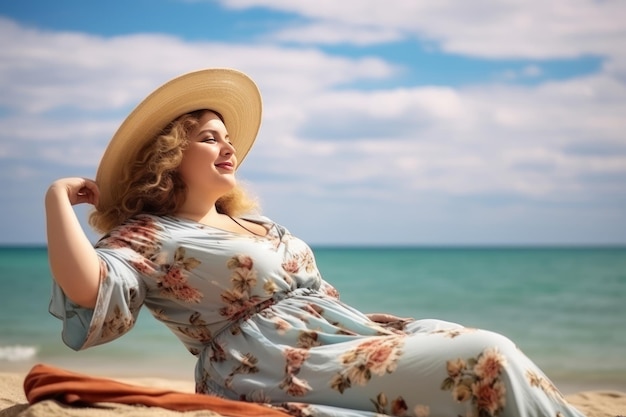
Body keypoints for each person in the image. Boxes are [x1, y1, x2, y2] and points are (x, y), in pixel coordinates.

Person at [45, 68, 587, 417]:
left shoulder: (260, 226)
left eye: (228, 138)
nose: (228, 147)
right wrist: (57, 199)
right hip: (269, 363)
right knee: (484, 354)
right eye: (209, 139)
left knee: (485, 349)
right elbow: (89, 288)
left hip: (343, 337)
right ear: (169, 156)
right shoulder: (151, 235)